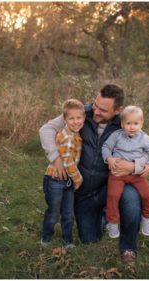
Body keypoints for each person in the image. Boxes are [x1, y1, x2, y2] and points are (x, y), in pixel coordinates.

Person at [40, 84, 149, 264]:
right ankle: (106, 216)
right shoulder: (81, 114)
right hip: (83, 192)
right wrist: (56, 158)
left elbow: (145, 148)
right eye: (95, 104)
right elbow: (46, 129)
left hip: (109, 185)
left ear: (117, 110)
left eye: (103, 109)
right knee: (89, 238)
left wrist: (133, 167)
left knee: (131, 197)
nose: (95, 111)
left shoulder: (124, 122)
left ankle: (128, 248)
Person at [102, 105, 149, 238]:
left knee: (148, 194)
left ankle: (146, 219)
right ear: (122, 124)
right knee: (113, 195)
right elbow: (106, 147)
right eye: (128, 123)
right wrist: (109, 158)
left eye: (136, 123)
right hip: (117, 174)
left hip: (136, 174)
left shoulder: (144, 138)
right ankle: (112, 222)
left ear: (141, 123)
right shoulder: (116, 135)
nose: (132, 127)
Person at [40, 99, 85, 249]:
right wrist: (78, 179)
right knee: (54, 212)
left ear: (84, 118)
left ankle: (67, 240)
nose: (76, 121)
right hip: (55, 179)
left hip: (67, 181)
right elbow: (67, 161)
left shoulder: (76, 135)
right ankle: (46, 238)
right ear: (64, 120)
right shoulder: (67, 137)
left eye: (79, 118)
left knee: (68, 213)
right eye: (71, 118)